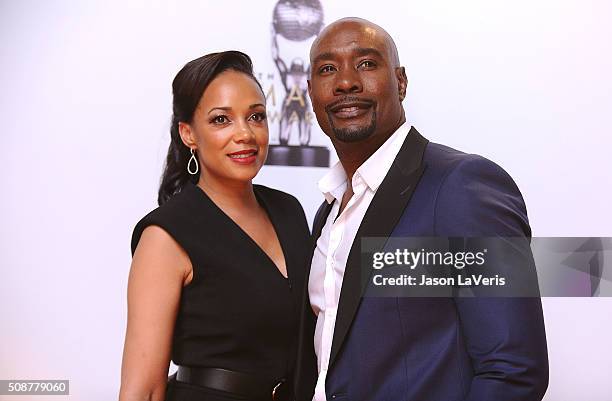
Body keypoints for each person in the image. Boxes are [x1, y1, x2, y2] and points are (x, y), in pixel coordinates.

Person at [296, 18, 549, 401]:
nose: (346, 82)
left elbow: (512, 370)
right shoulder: (328, 213)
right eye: (328, 69)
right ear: (311, 92)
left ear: (400, 81)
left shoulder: (460, 186)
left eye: (366, 64)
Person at [119, 51, 310, 401]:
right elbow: (143, 390)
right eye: (221, 120)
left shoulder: (289, 211)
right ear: (189, 134)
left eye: (256, 117)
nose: (245, 134)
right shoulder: (166, 235)